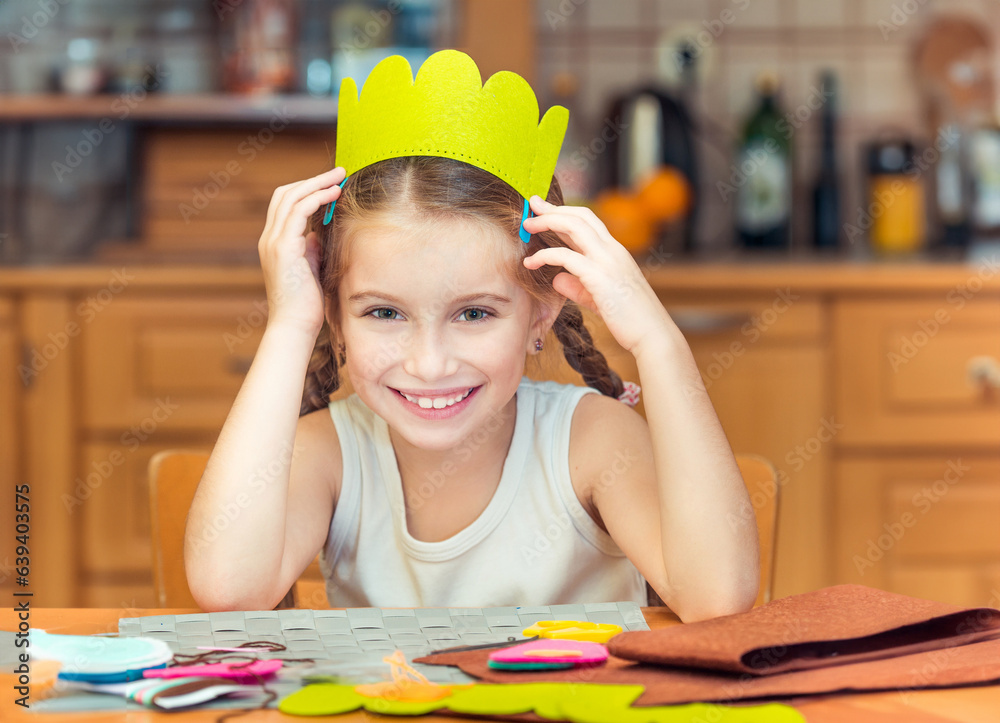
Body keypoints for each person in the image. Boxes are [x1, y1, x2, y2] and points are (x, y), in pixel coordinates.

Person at [184, 50, 758, 622]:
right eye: (384, 313)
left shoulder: (591, 441)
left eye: (474, 314)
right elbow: (230, 590)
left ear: (540, 313)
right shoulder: (334, 452)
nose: (429, 365)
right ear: (333, 314)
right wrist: (288, 324)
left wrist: (660, 343)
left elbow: (716, 597)